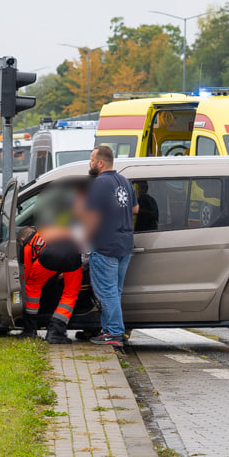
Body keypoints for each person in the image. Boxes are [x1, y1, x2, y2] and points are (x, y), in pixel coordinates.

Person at [84, 146, 137, 348]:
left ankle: (115, 333)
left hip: (105, 246)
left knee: (107, 292)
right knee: (114, 291)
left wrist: (85, 240)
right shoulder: (124, 181)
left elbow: (93, 217)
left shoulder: (99, 184)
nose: (90, 163)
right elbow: (135, 208)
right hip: (124, 245)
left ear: (100, 163)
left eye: (91, 160)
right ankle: (108, 330)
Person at [16, 225, 83, 344]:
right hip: (73, 256)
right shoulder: (50, 230)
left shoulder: (29, 244)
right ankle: (55, 332)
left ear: (22, 240)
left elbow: (27, 271)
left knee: (32, 285)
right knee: (70, 293)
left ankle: (30, 330)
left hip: (49, 257)